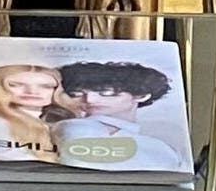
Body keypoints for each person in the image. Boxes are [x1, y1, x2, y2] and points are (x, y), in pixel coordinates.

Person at [47, 60, 186, 174]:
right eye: (77, 93)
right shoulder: (73, 127)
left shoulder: (159, 147)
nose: (89, 99)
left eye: (105, 93)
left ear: (141, 95)